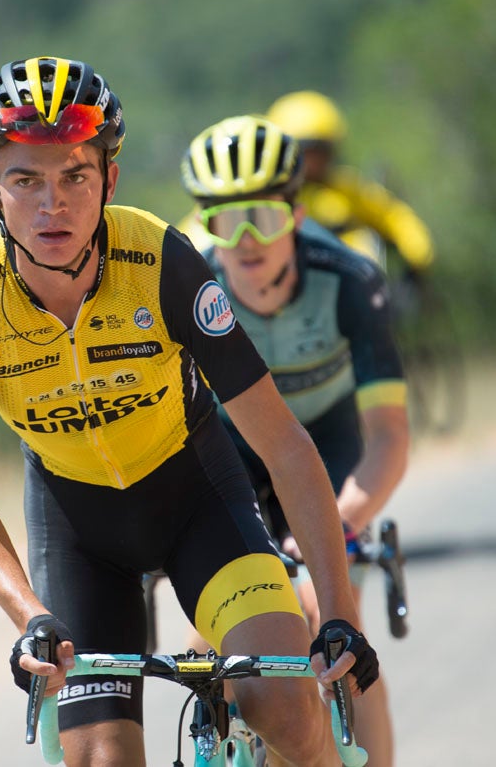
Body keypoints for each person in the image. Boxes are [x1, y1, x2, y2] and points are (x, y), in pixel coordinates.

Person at [0, 56, 379, 767]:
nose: (53, 205)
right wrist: (30, 616)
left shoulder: (162, 262)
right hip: (80, 534)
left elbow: (284, 444)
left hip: (200, 503)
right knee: (102, 759)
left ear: (110, 179)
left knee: (282, 704)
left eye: (75, 175)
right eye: (26, 180)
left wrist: (340, 611)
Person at [179, 114, 410, 767]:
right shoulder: (189, 287)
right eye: (227, 222)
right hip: (232, 462)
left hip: (332, 456)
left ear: (298, 214)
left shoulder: (350, 281)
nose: (248, 242)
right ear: (205, 226)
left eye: (266, 219)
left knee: (336, 631)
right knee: (206, 643)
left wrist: (334, 521)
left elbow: (389, 437)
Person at [266, 90, 434, 282]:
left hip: (353, 290)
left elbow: (391, 214)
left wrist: (417, 256)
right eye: (306, 152)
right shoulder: (273, 196)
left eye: (322, 152)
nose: (315, 162)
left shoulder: (345, 187)